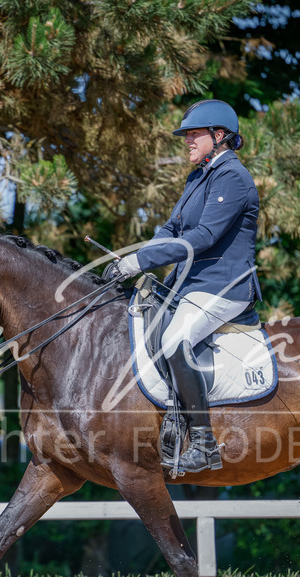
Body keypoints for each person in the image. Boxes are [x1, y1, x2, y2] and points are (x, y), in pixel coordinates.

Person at [109, 99, 261, 473]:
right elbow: (173, 229)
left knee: (175, 341)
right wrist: (136, 256)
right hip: (189, 287)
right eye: (188, 135)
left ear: (219, 135)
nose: (188, 141)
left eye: (194, 134)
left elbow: (205, 235)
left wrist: (142, 262)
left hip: (223, 287)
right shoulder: (199, 177)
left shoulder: (233, 177)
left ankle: (205, 444)